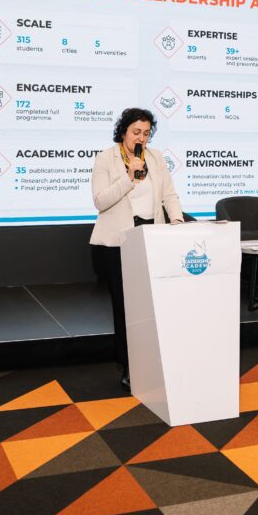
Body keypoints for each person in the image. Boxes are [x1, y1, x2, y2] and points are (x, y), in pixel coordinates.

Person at [90, 107, 184, 391]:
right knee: (125, 308)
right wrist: (129, 177)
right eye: (136, 132)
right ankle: (129, 366)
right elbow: (101, 201)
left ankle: (153, 362)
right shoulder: (105, 159)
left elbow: (169, 194)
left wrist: (177, 220)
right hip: (118, 242)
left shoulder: (155, 158)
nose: (141, 137)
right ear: (123, 132)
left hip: (151, 237)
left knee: (152, 305)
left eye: (146, 133)